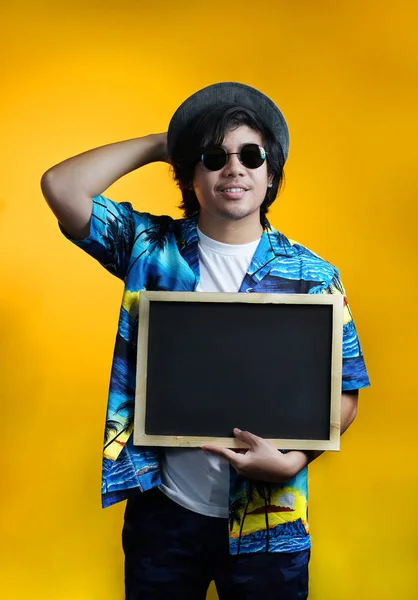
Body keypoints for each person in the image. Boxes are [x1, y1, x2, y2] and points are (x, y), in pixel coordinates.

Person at [41, 82, 370, 600]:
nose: (233, 168)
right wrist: (162, 142)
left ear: (270, 174)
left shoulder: (313, 276)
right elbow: (61, 186)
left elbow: (345, 392)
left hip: (269, 521)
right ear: (190, 174)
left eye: (251, 156)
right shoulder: (148, 248)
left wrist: (293, 461)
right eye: (213, 156)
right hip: (164, 515)